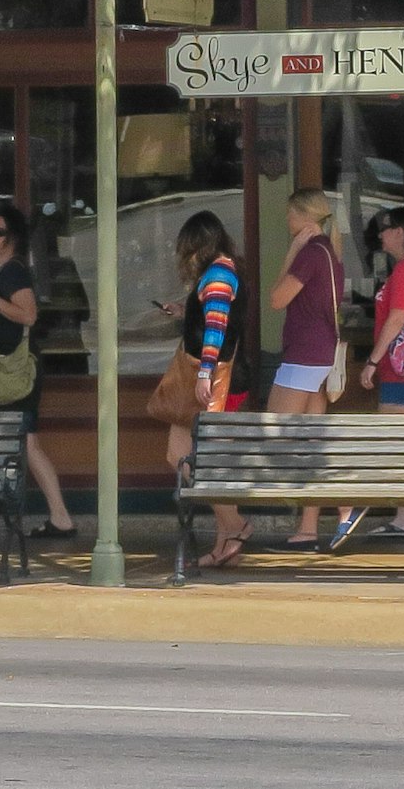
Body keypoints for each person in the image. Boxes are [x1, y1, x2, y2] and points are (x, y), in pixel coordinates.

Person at [0, 200, 74, 533]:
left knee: (21, 442)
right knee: (6, 440)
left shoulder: (13, 273)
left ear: (13, 238)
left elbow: (28, 315)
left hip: (13, 372)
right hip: (1, 369)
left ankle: (60, 516)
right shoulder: (4, 273)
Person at [336, 207, 404, 548]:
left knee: (388, 441)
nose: (381, 235)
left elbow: (397, 319)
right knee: (401, 442)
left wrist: (371, 361)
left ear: (401, 233)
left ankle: (353, 509)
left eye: (386, 230)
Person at [154, 209, 246, 571]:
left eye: (189, 249)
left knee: (192, 460)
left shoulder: (219, 272)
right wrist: (185, 311)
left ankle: (236, 527)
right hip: (216, 379)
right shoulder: (221, 271)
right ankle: (227, 538)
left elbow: (216, 328)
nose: (187, 258)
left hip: (214, 381)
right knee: (199, 462)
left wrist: (205, 372)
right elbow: (211, 317)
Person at [264, 189, 346, 546]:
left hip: (303, 356)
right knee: (311, 441)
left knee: (276, 436)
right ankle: (309, 526)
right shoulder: (330, 253)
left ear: (304, 217)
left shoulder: (310, 253)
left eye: (290, 215)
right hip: (322, 356)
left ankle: (345, 501)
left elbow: (276, 299)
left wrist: (292, 252)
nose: (287, 221)